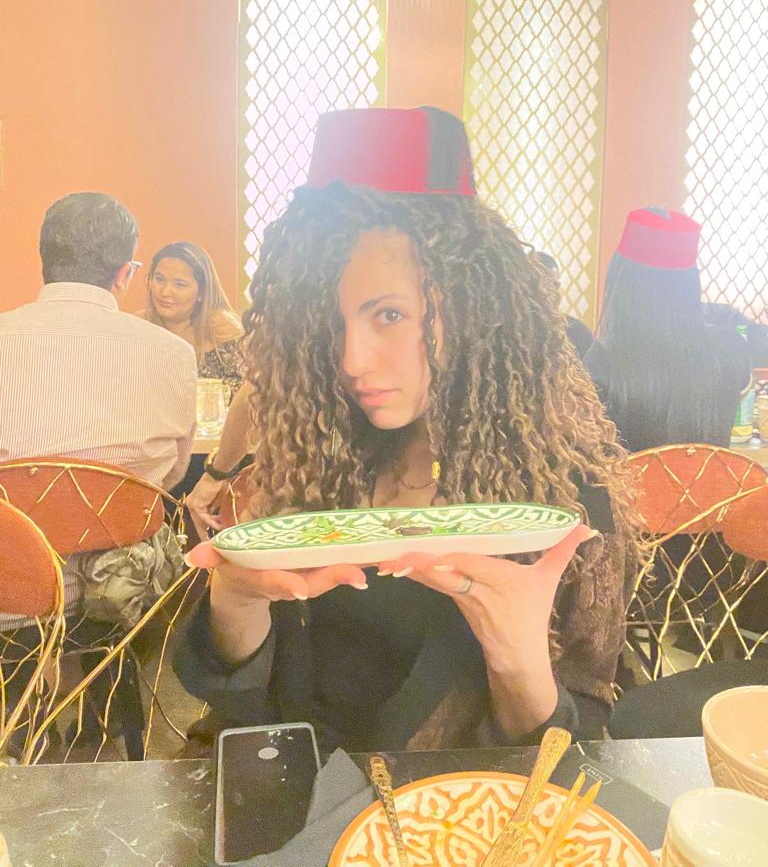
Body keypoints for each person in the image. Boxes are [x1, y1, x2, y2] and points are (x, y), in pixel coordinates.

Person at [176, 107, 638, 753]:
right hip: (295, 800)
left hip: (452, 808)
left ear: (473, 306)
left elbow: (578, 754)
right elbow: (248, 718)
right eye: (332, 323)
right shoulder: (320, 454)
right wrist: (236, 604)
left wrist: (518, 661)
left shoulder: (564, 506)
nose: (351, 360)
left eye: (389, 315)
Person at [0, 193, 197, 627]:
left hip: (8, 597)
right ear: (125, 274)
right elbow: (173, 475)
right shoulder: (173, 354)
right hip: (119, 604)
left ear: (45, 261)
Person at [585, 208, 751, 453]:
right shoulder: (730, 346)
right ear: (691, 281)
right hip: (715, 480)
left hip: (629, 480)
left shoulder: (603, 361)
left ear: (621, 280)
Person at [142, 241, 244, 396]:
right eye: (159, 279)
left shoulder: (227, 336)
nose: (165, 292)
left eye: (180, 284)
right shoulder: (137, 327)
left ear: (202, 292)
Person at [530, 250, 594, 359]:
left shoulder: (577, 332)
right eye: (541, 284)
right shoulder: (511, 335)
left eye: (552, 284)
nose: (546, 291)